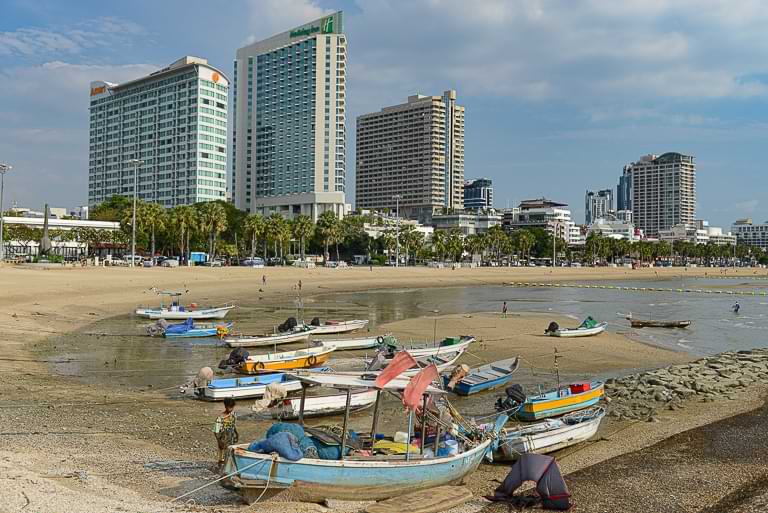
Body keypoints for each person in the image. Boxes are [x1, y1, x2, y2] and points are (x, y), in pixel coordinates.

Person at [213, 397, 238, 465]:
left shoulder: (233, 415)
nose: (230, 409)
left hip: (231, 435)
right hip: (223, 437)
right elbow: (215, 431)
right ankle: (221, 463)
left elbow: (233, 425)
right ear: (225, 406)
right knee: (222, 451)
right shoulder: (220, 418)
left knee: (230, 450)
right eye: (229, 407)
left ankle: (228, 464)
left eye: (232, 407)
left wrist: (237, 434)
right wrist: (219, 441)